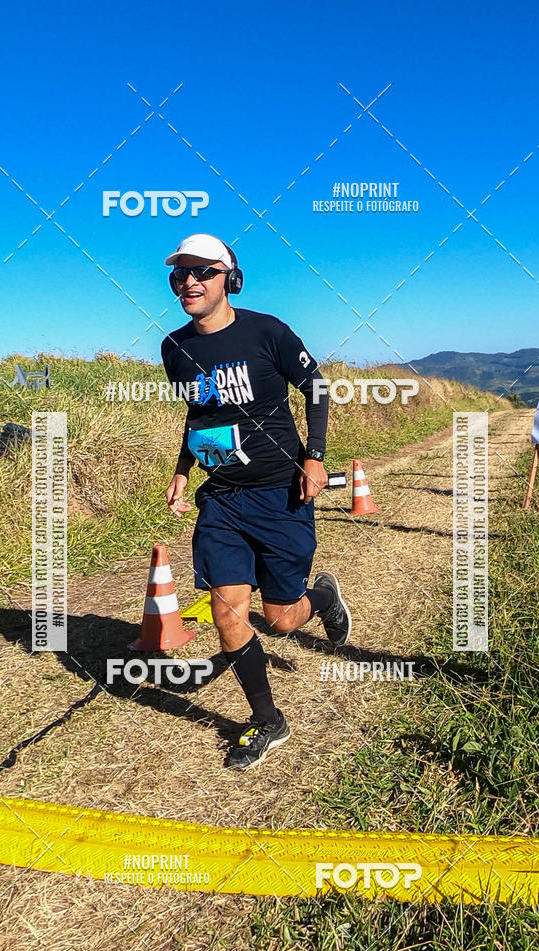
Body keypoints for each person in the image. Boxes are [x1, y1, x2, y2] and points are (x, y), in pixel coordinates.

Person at [161, 233, 351, 770]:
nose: (189, 283)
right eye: (179, 275)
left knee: (284, 618)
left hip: (279, 494)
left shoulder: (267, 331)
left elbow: (316, 387)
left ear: (230, 279)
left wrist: (315, 457)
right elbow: (200, 417)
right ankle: (268, 720)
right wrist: (181, 470)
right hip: (220, 499)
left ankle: (324, 599)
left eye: (203, 273)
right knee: (227, 613)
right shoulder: (175, 348)